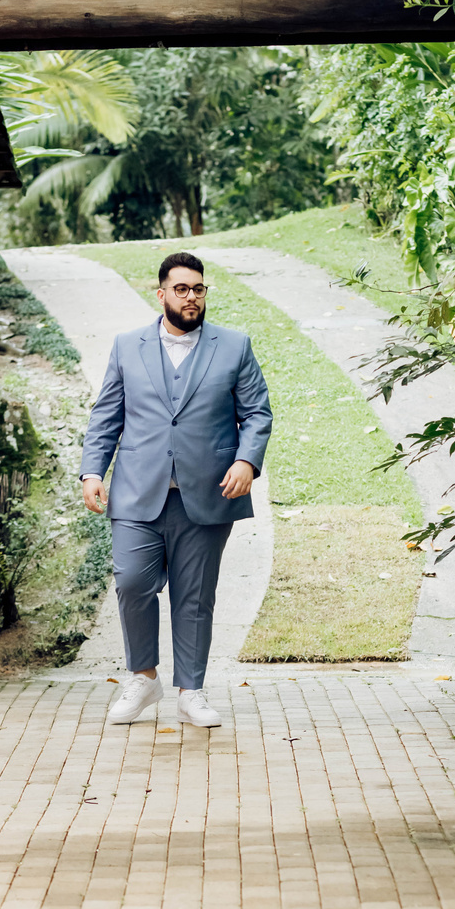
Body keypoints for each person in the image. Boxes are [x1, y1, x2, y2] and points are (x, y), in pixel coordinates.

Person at [80, 251, 272, 729]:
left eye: (198, 289)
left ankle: (191, 692)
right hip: (136, 493)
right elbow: (106, 416)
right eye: (182, 289)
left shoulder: (234, 346)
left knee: (195, 596)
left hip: (206, 493)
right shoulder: (127, 346)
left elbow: (257, 413)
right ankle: (143, 679)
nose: (192, 297)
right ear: (161, 293)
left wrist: (246, 461)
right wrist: (92, 472)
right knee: (131, 583)